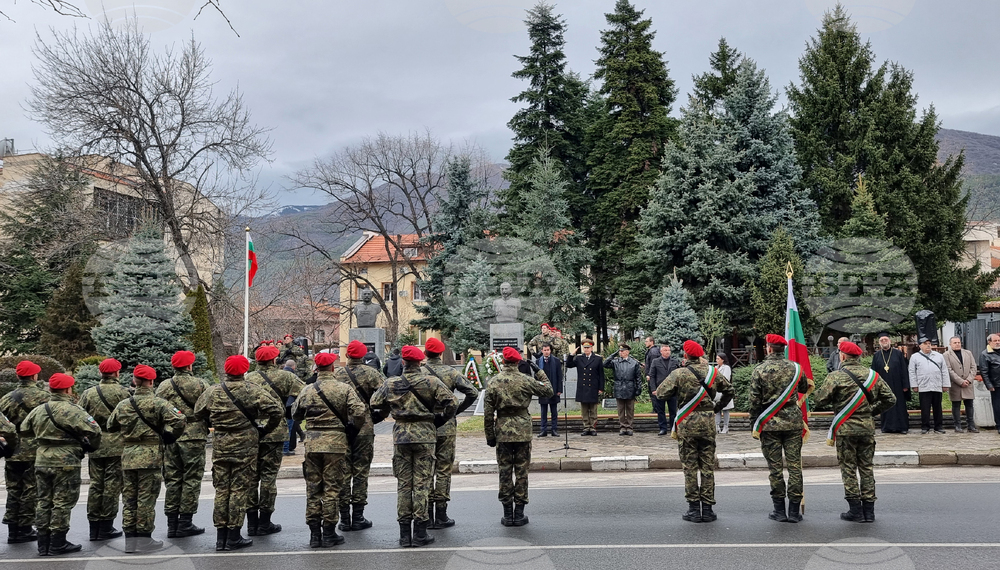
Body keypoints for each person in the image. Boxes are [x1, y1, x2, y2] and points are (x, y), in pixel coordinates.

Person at [193, 355, 283, 552]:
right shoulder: (252, 390)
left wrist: (216, 421)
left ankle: (220, 538)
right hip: (245, 446)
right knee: (239, 490)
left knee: (222, 491)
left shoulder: (212, 391)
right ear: (244, 371)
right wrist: (265, 429)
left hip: (221, 445)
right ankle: (233, 536)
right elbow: (277, 411)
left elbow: (197, 413)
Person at [371, 346, 455, 548]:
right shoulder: (431, 382)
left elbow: (374, 402)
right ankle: (420, 533)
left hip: (400, 436)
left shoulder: (391, 383)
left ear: (403, 364)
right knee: (422, 485)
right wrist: (440, 419)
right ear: (420, 363)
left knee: (403, 484)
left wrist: (390, 410)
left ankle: (404, 534)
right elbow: (452, 403)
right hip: (425, 435)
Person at [812, 341, 896, 523]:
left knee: (849, 469)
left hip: (845, 429)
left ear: (842, 355)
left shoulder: (836, 376)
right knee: (866, 468)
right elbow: (890, 399)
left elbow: (819, 400)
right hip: (866, 428)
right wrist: (870, 411)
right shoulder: (873, 375)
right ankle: (870, 512)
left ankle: (855, 511)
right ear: (859, 357)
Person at [106, 364, 186, 553]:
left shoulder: (123, 404)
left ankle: (130, 540)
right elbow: (180, 420)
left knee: (129, 499)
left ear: (135, 381)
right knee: (145, 499)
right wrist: (171, 436)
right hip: (149, 457)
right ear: (151, 381)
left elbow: (110, 426)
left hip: (128, 455)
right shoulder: (158, 403)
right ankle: (143, 539)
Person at [291, 352, 368, 548]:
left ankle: (314, 535)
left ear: (316, 368)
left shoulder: (307, 390)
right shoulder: (343, 389)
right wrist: (352, 429)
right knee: (332, 488)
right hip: (335, 444)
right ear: (333, 368)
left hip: (312, 444)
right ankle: (329, 533)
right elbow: (359, 411)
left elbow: (295, 414)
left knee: (313, 489)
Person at [20, 372, 102, 556]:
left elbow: (24, 430)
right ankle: (58, 542)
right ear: (67, 389)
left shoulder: (39, 410)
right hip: (66, 460)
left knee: (43, 500)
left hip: (42, 459)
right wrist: (90, 448)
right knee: (62, 501)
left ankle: (43, 543)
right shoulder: (73, 410)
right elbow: (95, 430)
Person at [656, 340, 733, 523]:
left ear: (685, 355)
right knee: (707, 467)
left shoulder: (679, 373)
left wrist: (680, 393)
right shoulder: (713, 372)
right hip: (707, 424)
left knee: (690, 467)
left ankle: (693, 510)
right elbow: (729, 390)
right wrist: (716, 408)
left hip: (687, 425)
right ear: (700, 356)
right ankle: (707, 510)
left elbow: (660, 394)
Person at [483, 346, 554, 527]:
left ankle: (508, 514)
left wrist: (490, 435)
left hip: (502, 430)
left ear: (503, 362)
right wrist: (540, 372)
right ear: (517, 362)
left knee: (505, 471)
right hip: (522, 430)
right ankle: (519, 513)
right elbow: (548, 390)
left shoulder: (493, 382)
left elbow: (488, 413)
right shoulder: (525, 380)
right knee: (521, 472)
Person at [749, 335, 811, 523]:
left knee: (775, 469)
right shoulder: (796, 368)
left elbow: (754, 401)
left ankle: (779, 510)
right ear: (781, 349)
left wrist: (755, 424)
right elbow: (802, 387)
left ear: (768, 348)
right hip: (793, 424)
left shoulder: (759, 370)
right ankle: (794, 512)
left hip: (769, 425)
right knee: (794, 467)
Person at [245, 344, 305, 536]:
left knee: (251, 478)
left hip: (251, 432)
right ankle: (265, 522)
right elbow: (304, 394)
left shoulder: (248, 378)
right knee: (269, 478)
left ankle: (251, 523)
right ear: (273, 360)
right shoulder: (286, 376)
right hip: (275, 431)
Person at [422, 338, 478, 529]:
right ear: (440, 353)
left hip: (425, 427)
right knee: (443, 470)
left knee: (426, 470)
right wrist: (456, 410)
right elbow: (472, 392)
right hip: (446, 425)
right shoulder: (451, 372)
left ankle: (427, 514)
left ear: (425, 354)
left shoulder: (418, 373)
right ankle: (441, 514)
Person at [332, 340, 387, 532]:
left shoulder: (336, 374)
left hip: (341, 428)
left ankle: (344, 518)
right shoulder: (372, 374)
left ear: (347, 355)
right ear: (364, 356)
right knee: (361, 472)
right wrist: (378, 416)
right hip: (364, 427)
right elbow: (385, 395)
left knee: (343, 472)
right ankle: (358, 516)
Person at [156, 350, 210, 539]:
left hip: (171, 436)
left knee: (172, 479)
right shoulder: (200, 384)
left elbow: (157, 409)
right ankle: (185, 522)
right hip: (194, 436)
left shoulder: (164, 386)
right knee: (191, 479)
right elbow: (209, 407)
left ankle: (172, 524)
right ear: (189, 366)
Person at [77, 358, 129, 541]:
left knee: (96, 485)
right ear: (117, 373)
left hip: (96, 444)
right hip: (117, 445)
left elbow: (80, 416)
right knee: (112, 486)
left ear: (101, 373)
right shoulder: (124, 393)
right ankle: (107, 525)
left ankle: (94, 526)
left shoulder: (89, 393)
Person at [0, 360, 51, 544]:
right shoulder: (44, 397)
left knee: (14, 489)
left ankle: (13, 529)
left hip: (12, 448)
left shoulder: (6, 398)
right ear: (34, 376)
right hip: (34, 448)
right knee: (31, 488)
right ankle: (25, 528)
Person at [907, 337, 950, 434]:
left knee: (937, 407)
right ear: (920, 345)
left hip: (937, 384)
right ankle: (925, 426)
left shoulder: (938, 356)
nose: (928, 345)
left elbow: (944, 370)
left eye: (929, 343)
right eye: (925, 343)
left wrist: (945, 384)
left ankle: (938, 426)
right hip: (923, 385)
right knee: (925, 408)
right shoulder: (915, 357)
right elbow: (912, 372)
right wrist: (914, 385)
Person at [871, 333, 911, 434]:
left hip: (898, 385)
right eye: (882, 340)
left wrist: (906, 385)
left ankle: (902, 427)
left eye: (885, 339)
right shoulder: (876, 355)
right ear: (880, 343)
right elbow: (873, 372)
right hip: (883, 386)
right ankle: (887, 427)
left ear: (889, 341)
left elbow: (904, 369)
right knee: (886, 406)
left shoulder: (898, 353)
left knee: (899, 406)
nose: (884, 341)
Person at [603, 344, 643, 436]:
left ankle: (629, 427)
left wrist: (638, 388)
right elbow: (605, 364)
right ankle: (622, 427)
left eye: (623, 351)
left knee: (630, 409)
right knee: (620, 410)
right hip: (619, 387)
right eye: (620, 351)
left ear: (627, 352)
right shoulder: (615, 362)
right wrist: (613, 354)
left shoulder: (634, 363)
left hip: (630, 387)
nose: (621, 353)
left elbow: (638, 377)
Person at [567, 339, 603, 435]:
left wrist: (601, 388)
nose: (586, 349)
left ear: (592, 348)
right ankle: (586, 427)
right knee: (584, 410)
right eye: (585, 348)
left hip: (593, 387)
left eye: (588, 347)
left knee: (593, 409)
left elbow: (601, 375)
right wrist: (571, 355)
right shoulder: (579, 358)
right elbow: (569, 365)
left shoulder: (598, 359)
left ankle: (593, 428)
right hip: (583, 387)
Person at [943, 336, 978, 433]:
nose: (957, 344)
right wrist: (960, 381)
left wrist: (968, 379)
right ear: (950, 344)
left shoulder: (968, 353)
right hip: (955, 384)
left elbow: (973, 367)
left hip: (968, 383)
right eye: (955, 343)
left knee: (969, 405)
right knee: (956, 405)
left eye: (958, 342)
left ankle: (971, 425)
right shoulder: (946, 355)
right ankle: (957, 425)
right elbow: (948, 370)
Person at [647, 344, 680, 435]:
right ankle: (663, 428)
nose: (667, 352)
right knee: (661, 411)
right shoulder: (655, 361)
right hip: (660, 390)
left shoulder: (675, 361)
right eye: (665, 350)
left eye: (668, 350)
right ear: (661, 352)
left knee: (673, 411)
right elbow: (652, 376)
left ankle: (673, 428)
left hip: (672, 390)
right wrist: (653, 389)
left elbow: (679, 375)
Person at [536, 343, 562, 437]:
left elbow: (559, 376)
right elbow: (536, 376)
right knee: (543, 411)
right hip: (543, 389)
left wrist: (559, 389)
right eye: (545, 350)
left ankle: (554, 429)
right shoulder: (538, 361)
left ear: (550, 350)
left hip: (554, 389)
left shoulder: (556, 361)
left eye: (548, 350)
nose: (546, 352)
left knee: (554, 411)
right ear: (542, 351)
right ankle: (543, 430)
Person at [282, 359, 307, 456]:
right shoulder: (293, 377)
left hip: (279, 404)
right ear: (294, 367)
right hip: (289, 405)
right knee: (289, 427)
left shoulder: (279, 375)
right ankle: (286, 448)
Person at [978, 334, 1000, 435]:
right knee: (997, 406)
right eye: (995, 341)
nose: (997, 342)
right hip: (996, 385)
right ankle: (999, 425)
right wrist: (989, 385)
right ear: (989, 342)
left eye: (999, 340)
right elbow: (984, 371)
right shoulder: (985, 354)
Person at [714, 354, 735, 434]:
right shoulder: (716, 368)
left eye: (718, 358)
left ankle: (726, 426)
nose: (716, 360)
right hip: (717, 391)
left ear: (722, 359)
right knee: (717, 409)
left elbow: (725, 378)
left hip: (725, 391)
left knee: (725, 410)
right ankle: (717, 426)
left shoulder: (726, 368)